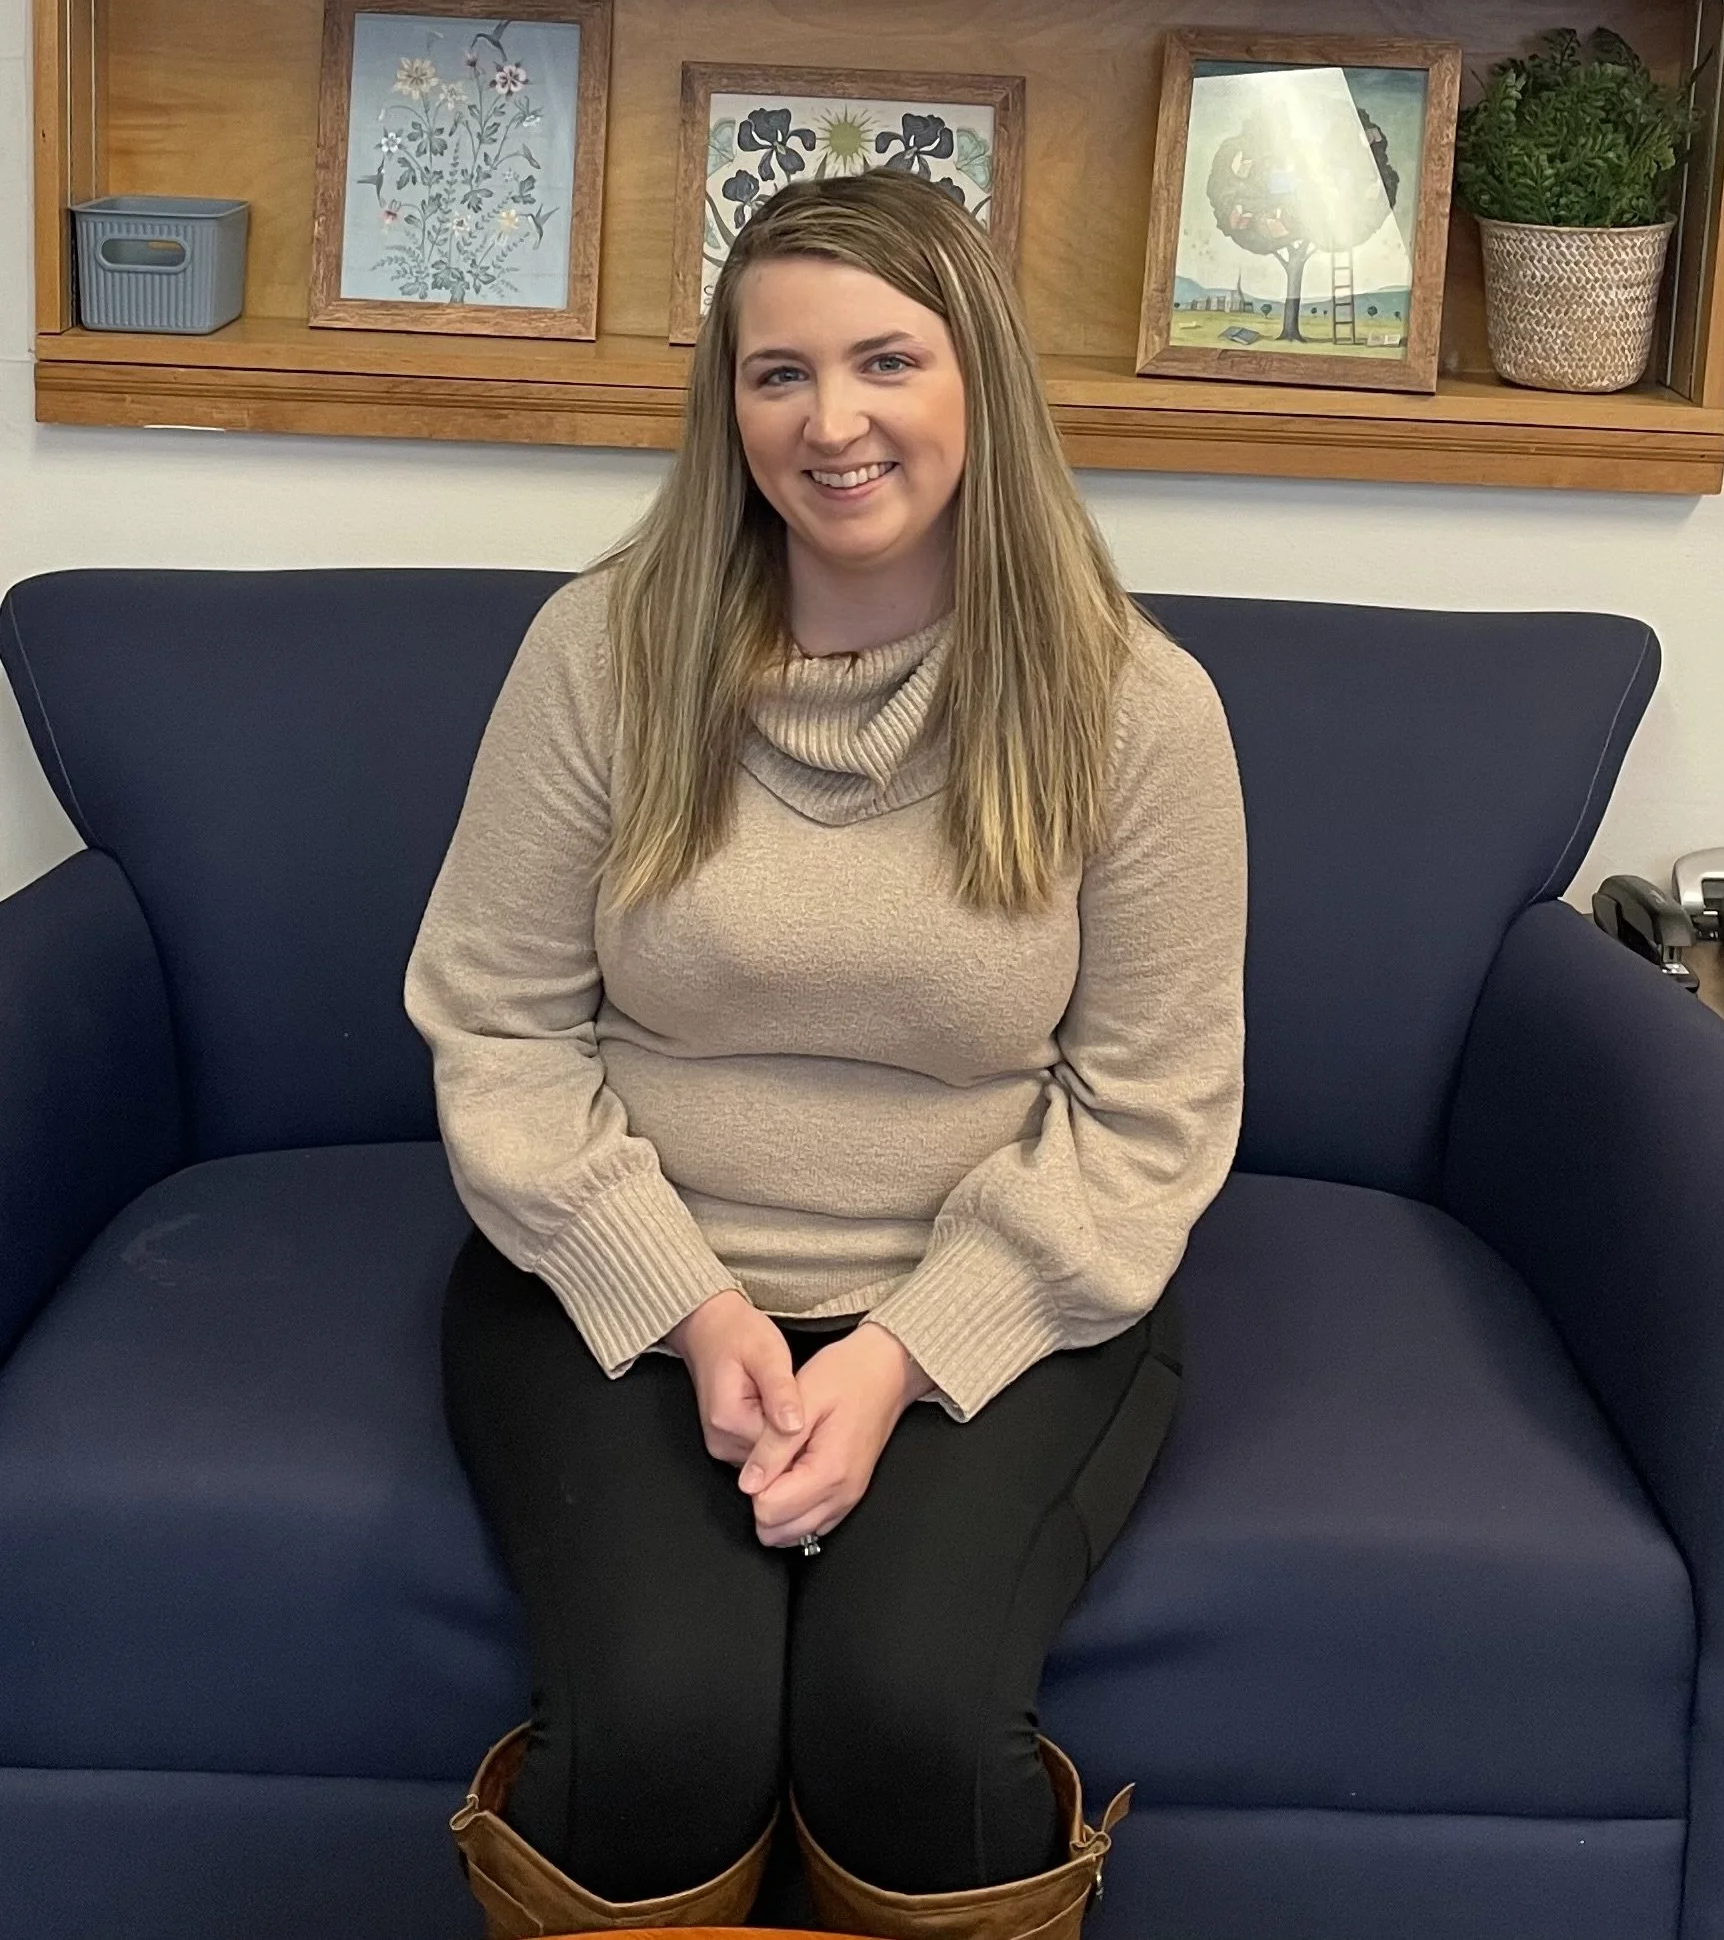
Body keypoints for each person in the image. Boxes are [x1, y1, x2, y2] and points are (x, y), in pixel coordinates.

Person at [408, 171, 1247, 1940]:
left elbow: (1149, 1111)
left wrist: (891, 1362)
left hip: (1002, 1294)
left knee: (909, 1721)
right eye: (774, 371)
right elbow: (498, 1022)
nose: (830, 418)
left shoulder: (1131, 707)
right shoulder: (599, 653)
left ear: (979, 391)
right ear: (727, 408)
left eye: (884, 360)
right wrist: (697, 1309)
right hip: (624, 1280)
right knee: (657, 1728)